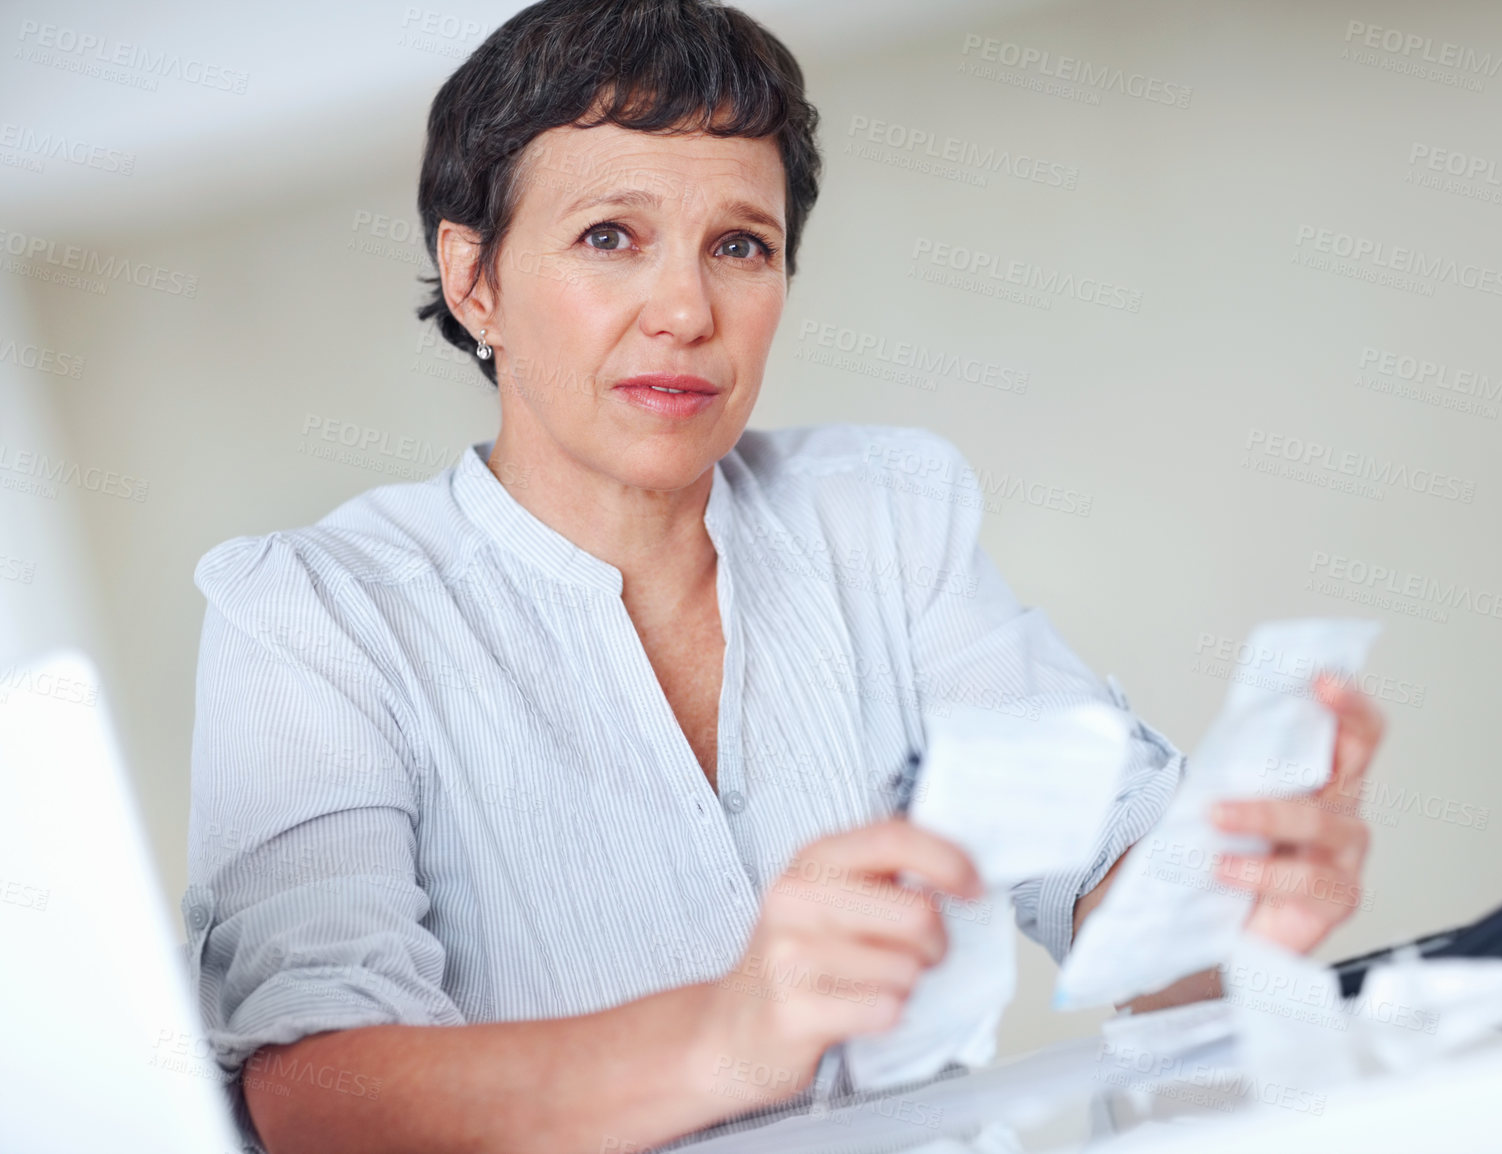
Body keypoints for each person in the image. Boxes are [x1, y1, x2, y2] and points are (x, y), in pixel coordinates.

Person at [183, 1, 1384, 1151]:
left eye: (739, 246)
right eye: (612, 237)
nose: (685, 307)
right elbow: (319, 1096)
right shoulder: (315, 612)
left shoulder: (882, 516)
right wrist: (733, 1031)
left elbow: (1105, 886)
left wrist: (1229, 897)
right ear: (473, 276)